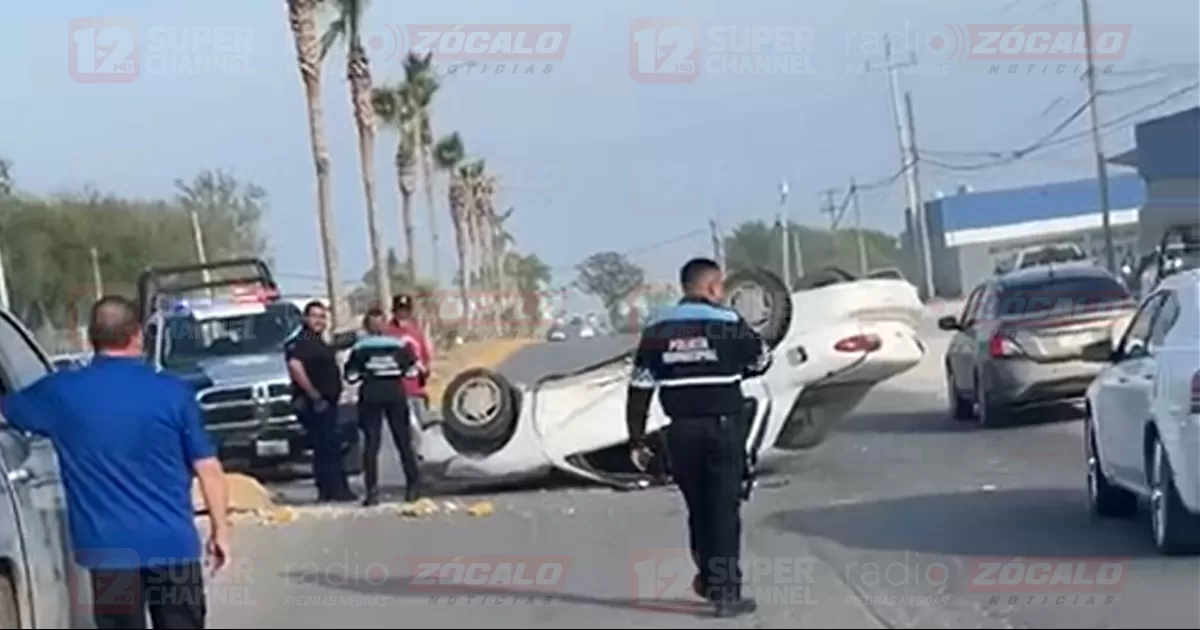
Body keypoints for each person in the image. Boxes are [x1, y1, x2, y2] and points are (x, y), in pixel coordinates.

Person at [0, 296, 230, 629]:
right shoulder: (173, 393)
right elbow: (208, 469)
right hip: (173, 546)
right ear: (137, 335)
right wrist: (220, 531)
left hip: (109, 551)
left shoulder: (61, 392)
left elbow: (8, 410)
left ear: (92, 338)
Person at [625, 257, 771, 619]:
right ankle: (726, 593)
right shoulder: (728, 323)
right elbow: (760, 362)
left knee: (699, 509)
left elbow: (639, 387)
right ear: (712, 287)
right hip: (723, 428)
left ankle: (708, 579)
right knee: (723, 510)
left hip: (681, 433)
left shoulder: (657, 328)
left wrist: (636, 440)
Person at [344, 307, 423, 505]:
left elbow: (351, 376)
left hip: (371, 394)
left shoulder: (360, 347)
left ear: (366, 326)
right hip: (394, 392)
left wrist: (367, 371)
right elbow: (412, 371)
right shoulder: (399, 345)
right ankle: (413, 488)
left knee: (371, 444)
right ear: (385, 324)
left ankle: (372, 493)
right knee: (404, 442)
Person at [285, 300, 356, 503]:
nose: (318, 320)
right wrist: (314, 395)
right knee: (328, 446)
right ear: (305, 318)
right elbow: (295, 366)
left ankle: (328, 490)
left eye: (322, 317)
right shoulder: (304, 340)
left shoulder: (317, 340)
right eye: (314, 316)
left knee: (326, 447)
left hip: (325, 401)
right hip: (315, 403)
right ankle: (336, 489)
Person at [385, 294, 433, 444]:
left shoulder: (415, 330)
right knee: (405, 429)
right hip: (398, 389)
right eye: (400, 310)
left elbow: (424, 355)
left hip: (417, 388)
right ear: (394, 311)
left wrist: (426, 369)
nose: (403, 314)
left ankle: (419, 459)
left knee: (419, 427)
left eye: (406, 310)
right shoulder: (388, 332)